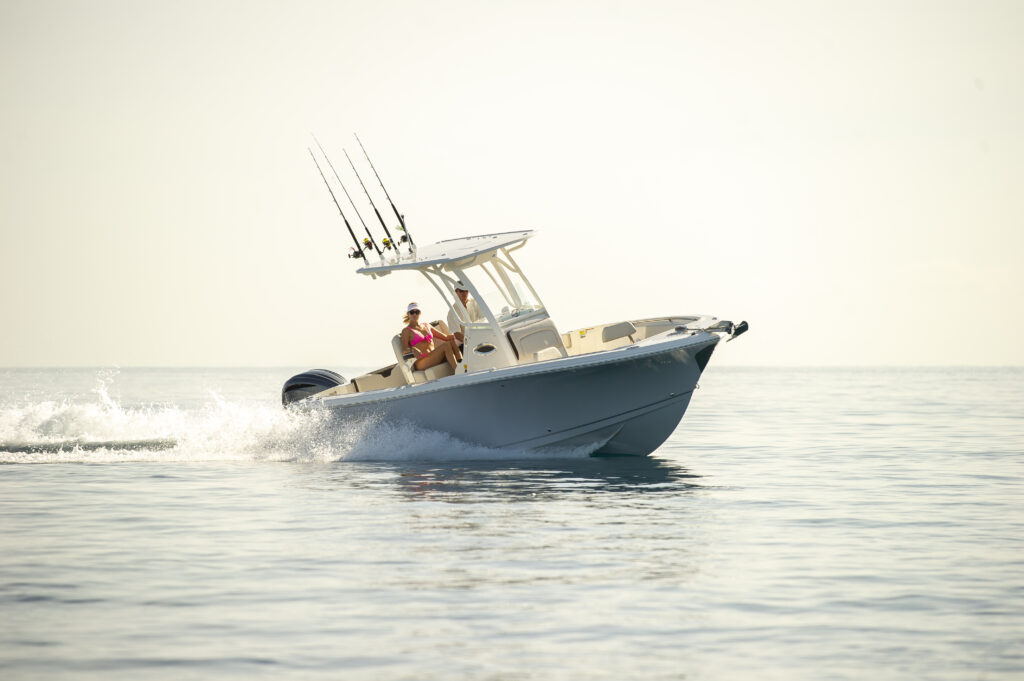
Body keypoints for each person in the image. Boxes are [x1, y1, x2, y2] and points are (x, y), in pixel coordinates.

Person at [400, 302, 463, 373]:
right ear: (408, 314)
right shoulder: (406, 331)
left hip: (433, 356)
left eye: (417, 312)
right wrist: (413, 349)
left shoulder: (426, 325)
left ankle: (462, 365)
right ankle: (458, 371)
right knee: (446, 345)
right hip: (421, 361)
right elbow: (404, 350)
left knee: (451, 342)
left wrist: (463, 335)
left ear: (420, 313)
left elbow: (446, 337)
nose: (414, 314)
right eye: (412, 312)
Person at [446, 281, 483, 349]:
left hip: (480, 337)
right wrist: (473, 342)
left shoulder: (475, 302)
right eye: (461, 291)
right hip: (465, 345)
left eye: (466, 290)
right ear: (455, 292)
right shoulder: (452, 312)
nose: (465, 293)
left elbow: (484, 319)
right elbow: (457, 335)